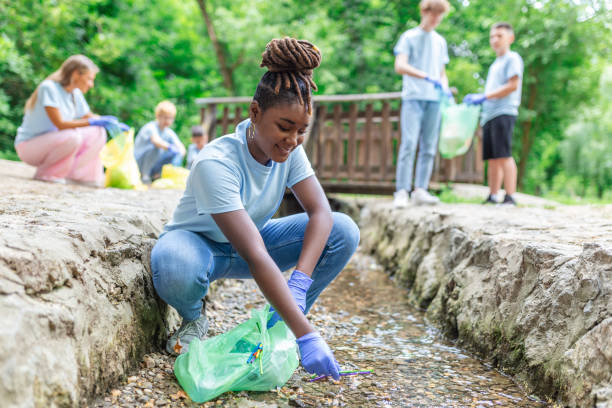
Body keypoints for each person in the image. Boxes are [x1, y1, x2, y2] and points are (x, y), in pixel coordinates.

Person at [151, 37, 360, 380]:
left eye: (301, 131)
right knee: (174, 266)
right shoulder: (216, 163)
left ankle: (282, 322)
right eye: (284, 127)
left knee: (342, 230)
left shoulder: (290, 151)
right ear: (254, 112)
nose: (292, 140)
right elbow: (256, 255)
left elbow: (321, 212)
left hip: (257, 239)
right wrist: (310, 335)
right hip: (202, 246)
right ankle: (194, 319)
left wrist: (300, 282)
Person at [14, 55, 126, 186]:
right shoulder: (49, 87)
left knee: (98, 132)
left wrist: (112, 124)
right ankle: (47, 174)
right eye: (89, 79)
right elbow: (60, 124)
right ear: (76, 74)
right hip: (29, 146)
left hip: (55, 141)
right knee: (73, 137)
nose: (91, 85)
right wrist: (94, 122)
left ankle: (79, 176)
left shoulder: (75, 93)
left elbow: (90, 117)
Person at [393, 0, 451, 207]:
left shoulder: (440, 41)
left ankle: (421, 189)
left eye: (439, 16)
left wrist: (445, 87)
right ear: (425, 12)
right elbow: (400, 65)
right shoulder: (409, 37)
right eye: (433, 14)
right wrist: (425, 76)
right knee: (409, 143)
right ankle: (402, 190)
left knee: (429, 146)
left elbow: (442, 73)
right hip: (413, 97)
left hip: (434, 99)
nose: (436, 19)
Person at [464, 22, 523, 206]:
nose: (495, 40)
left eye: (499, 36)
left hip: (504, 111)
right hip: (489, 114)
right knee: (492, 156)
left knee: (504, 154)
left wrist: (485, 96)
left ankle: (510, 196)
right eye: (492, 36)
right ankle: (492, 195)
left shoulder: (512, 58)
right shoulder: (494, 64)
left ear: (510, 38)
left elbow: (512, 85)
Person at [134, 101, 186, 183]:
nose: (168, 121)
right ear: (158, 116)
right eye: (165, 118)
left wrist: (180, 153)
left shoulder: (168, 132)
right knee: (157, 148)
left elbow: (180, 146)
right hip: (139, 162)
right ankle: (144, 175)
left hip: (153, 163)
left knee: (173, 153)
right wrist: (170, 147)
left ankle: (157, 175)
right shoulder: (150, 127)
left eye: (170, 118)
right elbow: (156, 141)